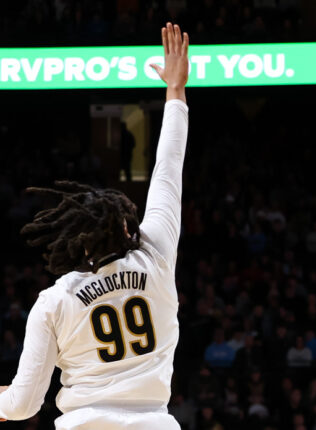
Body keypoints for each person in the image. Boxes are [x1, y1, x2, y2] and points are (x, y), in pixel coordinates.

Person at [0, 22, 189, 429]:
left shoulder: (55, 300)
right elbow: (168, 170)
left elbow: (21, 407)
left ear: (75, 242)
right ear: (127, 230)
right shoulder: (156, 257)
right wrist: (176, 91)